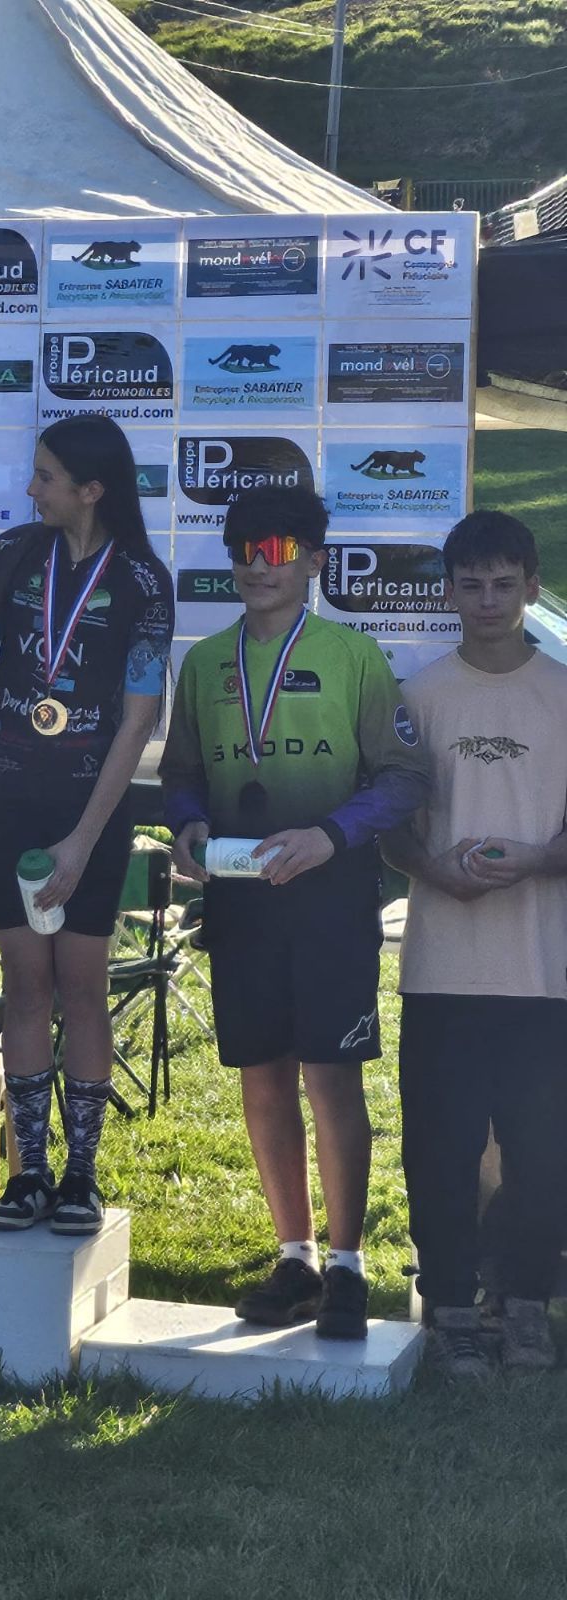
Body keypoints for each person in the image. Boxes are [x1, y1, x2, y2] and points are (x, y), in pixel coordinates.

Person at [0, 414, 174, 1235]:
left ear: (92, 489)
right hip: (10, 795)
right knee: (24, 982)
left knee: (82, 985)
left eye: (46, 476)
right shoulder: (17, 553)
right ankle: (30, 1173)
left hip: (91, 808)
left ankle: (82, 1175)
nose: (30, 488)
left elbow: (139, 721)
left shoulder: (143, 580)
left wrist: (83, 840)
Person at [160, 485, 427, 1339]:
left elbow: (404, 778)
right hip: (242, 905)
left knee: (330, 1076)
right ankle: (295, 1259)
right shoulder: (205, 663)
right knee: (263, 1075)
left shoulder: (353, 655)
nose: (255, 566)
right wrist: (188, 823)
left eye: (275, 551)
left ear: (314, 561)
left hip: (330, 900)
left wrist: (329, 834)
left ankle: (347, 1265)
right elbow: (180, 774)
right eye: (243, 550)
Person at [382, 511, 567, 1377]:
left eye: (504, 584)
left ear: (532, 587)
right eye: (471, 585)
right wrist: (432, 868)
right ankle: (451, 1303)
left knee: (545, 1149)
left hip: (546, 971)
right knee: (440, 1147)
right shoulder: (418, 696)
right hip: (443, 967)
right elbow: (391, 829)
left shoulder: (563, 692)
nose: (488, 601)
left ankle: (525, 1302)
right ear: (448, 593)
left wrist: (539, 858)